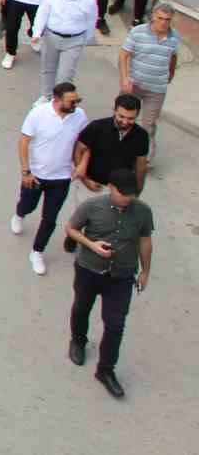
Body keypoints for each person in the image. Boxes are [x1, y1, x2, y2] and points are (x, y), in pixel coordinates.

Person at [64, 169, 154, 399]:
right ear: (112, 188)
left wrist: (145, 271)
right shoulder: (92, 206)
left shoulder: (143, 212)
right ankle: (78, 340)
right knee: (82, 308)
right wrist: (91, 245)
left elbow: (145, 240)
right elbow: (71, 229)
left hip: (122, 276)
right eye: (123, 193)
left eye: (131, 194)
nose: (127, 198)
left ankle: (105, 370)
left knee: (115, 324)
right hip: (89, 270)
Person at [12, 81, 88, 275]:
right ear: (56, 100)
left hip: (61, 178)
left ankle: (37, 251)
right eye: (71, 101)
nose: (75, 105)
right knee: (28, 205)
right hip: (36, 175)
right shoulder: (38, 114)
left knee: (50, 218)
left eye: (77, 100)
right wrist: (25, 171)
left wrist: (81, 165)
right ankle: (19, 214)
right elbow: (24, 141)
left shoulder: (79, 116)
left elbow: (84, 143)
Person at [118, 5, 179, 164]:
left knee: (149, 125)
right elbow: (124, 55)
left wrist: (170, 74)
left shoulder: (174, 37)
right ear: (153, 17)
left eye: (167, 20)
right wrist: (125, 79)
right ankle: (116, 149)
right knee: (123, 119)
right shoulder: (138, 32)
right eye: (160, 18)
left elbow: (173, 57)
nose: (164, 23)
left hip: (156, 89)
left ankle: (143, 158)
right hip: (134, 85)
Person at [31, 0, 97, 103]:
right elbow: (42, 12)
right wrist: (37, 32)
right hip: (51, 37)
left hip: (74, 41)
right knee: (48, 69)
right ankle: (46, 96)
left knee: (65, 75)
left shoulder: (88, 1)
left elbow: (91, 21)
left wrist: (84, 41)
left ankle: (60, 100)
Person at [74, 94, 150, 193]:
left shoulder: (142, 135)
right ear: (114, 111)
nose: (125, 122)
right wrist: (86, 181)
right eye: (121, 116)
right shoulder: (96, 127)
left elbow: (141, 167)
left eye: (131, 118)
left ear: (137, 115)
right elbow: (78, 152)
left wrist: (136, 192)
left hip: (122, 190)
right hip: (95, 186)